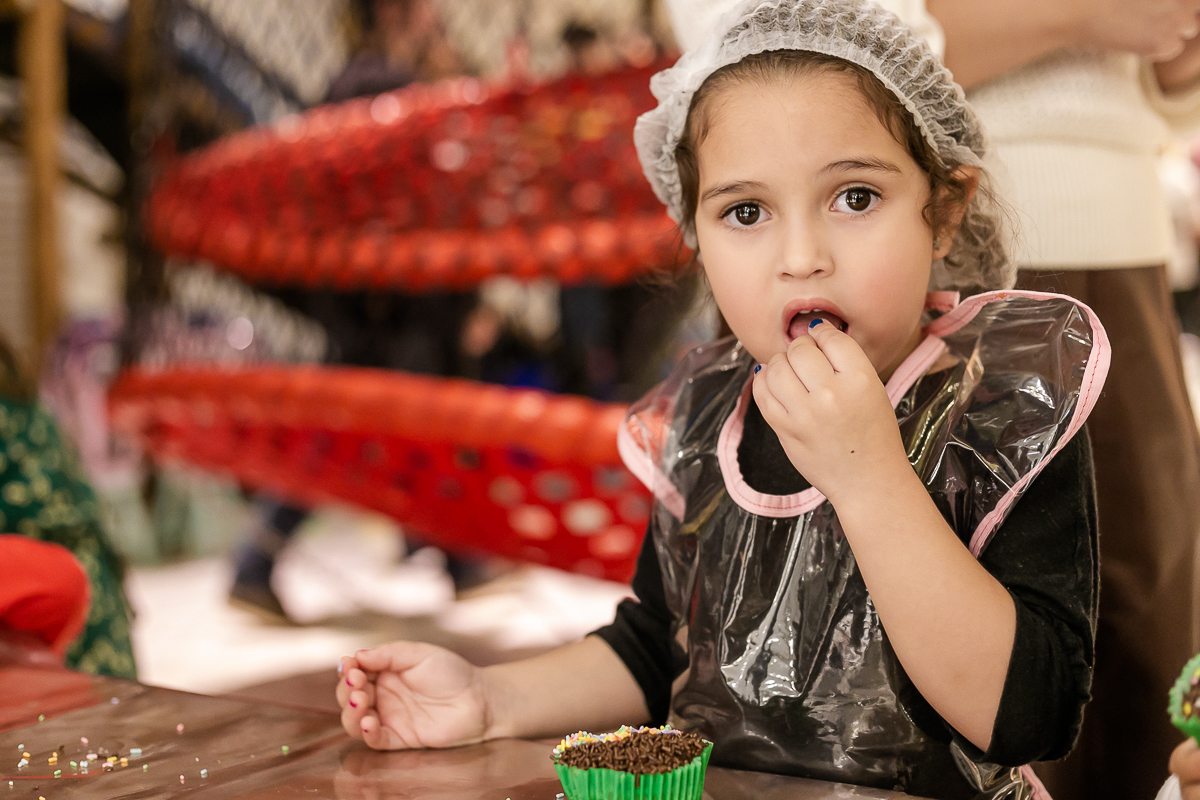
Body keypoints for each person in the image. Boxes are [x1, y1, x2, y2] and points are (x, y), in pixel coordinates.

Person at [334, 1, 1106, 795]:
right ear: (697, 240)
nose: (801, 257)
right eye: (746, 213)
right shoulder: (707, 420)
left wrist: (869, 474)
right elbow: (655, 650)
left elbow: (1030, 718)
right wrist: (490, 699)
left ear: (942, 210)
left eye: (855, 198)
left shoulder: (1007, 405)